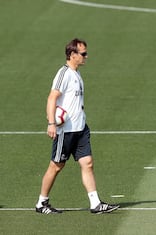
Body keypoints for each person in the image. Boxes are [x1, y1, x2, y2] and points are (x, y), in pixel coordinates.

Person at [35, 38, 119, 214]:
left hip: (80, 129)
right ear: (72, 54)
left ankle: (95, 204)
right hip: (66, 132)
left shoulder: (77, 74)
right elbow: (52, 98)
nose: (86, 56)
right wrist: (51, 123)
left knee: (87, 163)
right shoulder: (64, 74)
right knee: (56, 166)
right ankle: (42, 203)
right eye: (83, 53)